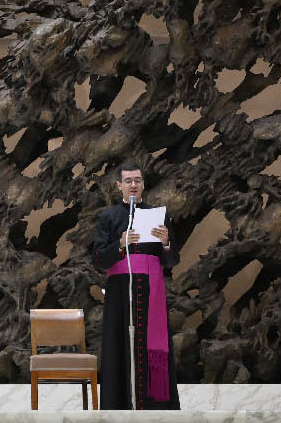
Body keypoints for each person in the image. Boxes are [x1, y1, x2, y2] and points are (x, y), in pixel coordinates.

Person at [89, 163, 179, 410]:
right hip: (120, 293)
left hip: (152, 292)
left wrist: (166, 242)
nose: (133, 185)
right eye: (128, 180)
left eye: (137, 180)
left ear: (143, 184)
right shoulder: (108, 217)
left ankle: (155, 410)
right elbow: (97, 259)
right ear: (119, 185)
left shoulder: (159, 215)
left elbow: (171, 260)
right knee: (119, 347)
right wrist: (119, 245)